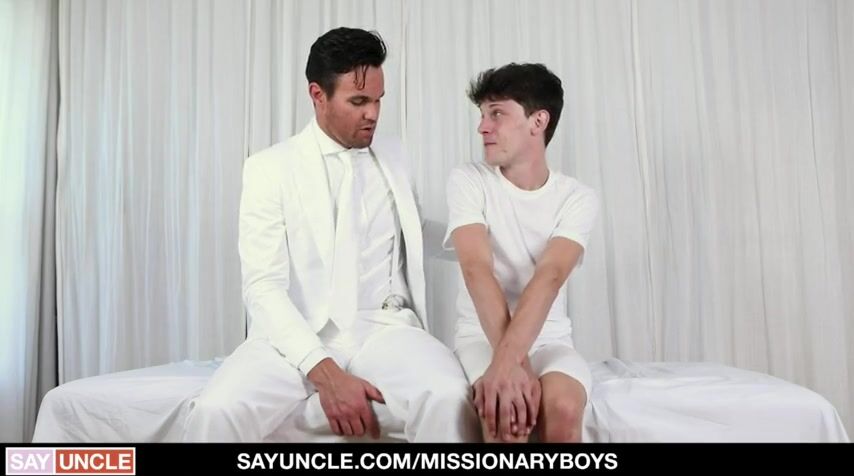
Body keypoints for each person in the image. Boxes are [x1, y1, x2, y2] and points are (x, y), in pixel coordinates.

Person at [184, 27, 477, 442]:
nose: (373, 113)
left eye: (378, 100)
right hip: (297, 333)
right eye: (358, 101)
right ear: (317, 95)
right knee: (216, 411)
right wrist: (325, 372)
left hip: (384, 327)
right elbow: (263, 286)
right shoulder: (269, 168)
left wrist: (485, 244)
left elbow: (412, 230)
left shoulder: (394, 155)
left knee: (448, 397)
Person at [444, 63, 598, 443]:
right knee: (506, 412)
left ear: (538, 121)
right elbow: (476, 269)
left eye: (496, 113)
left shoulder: (577, 198)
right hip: (482, 337)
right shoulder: (468, 180)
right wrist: (507, 362)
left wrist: (512, 361)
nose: (483, 127)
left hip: (550, 340)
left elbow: (550, 276)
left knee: (564, 408)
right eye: (482, 114)